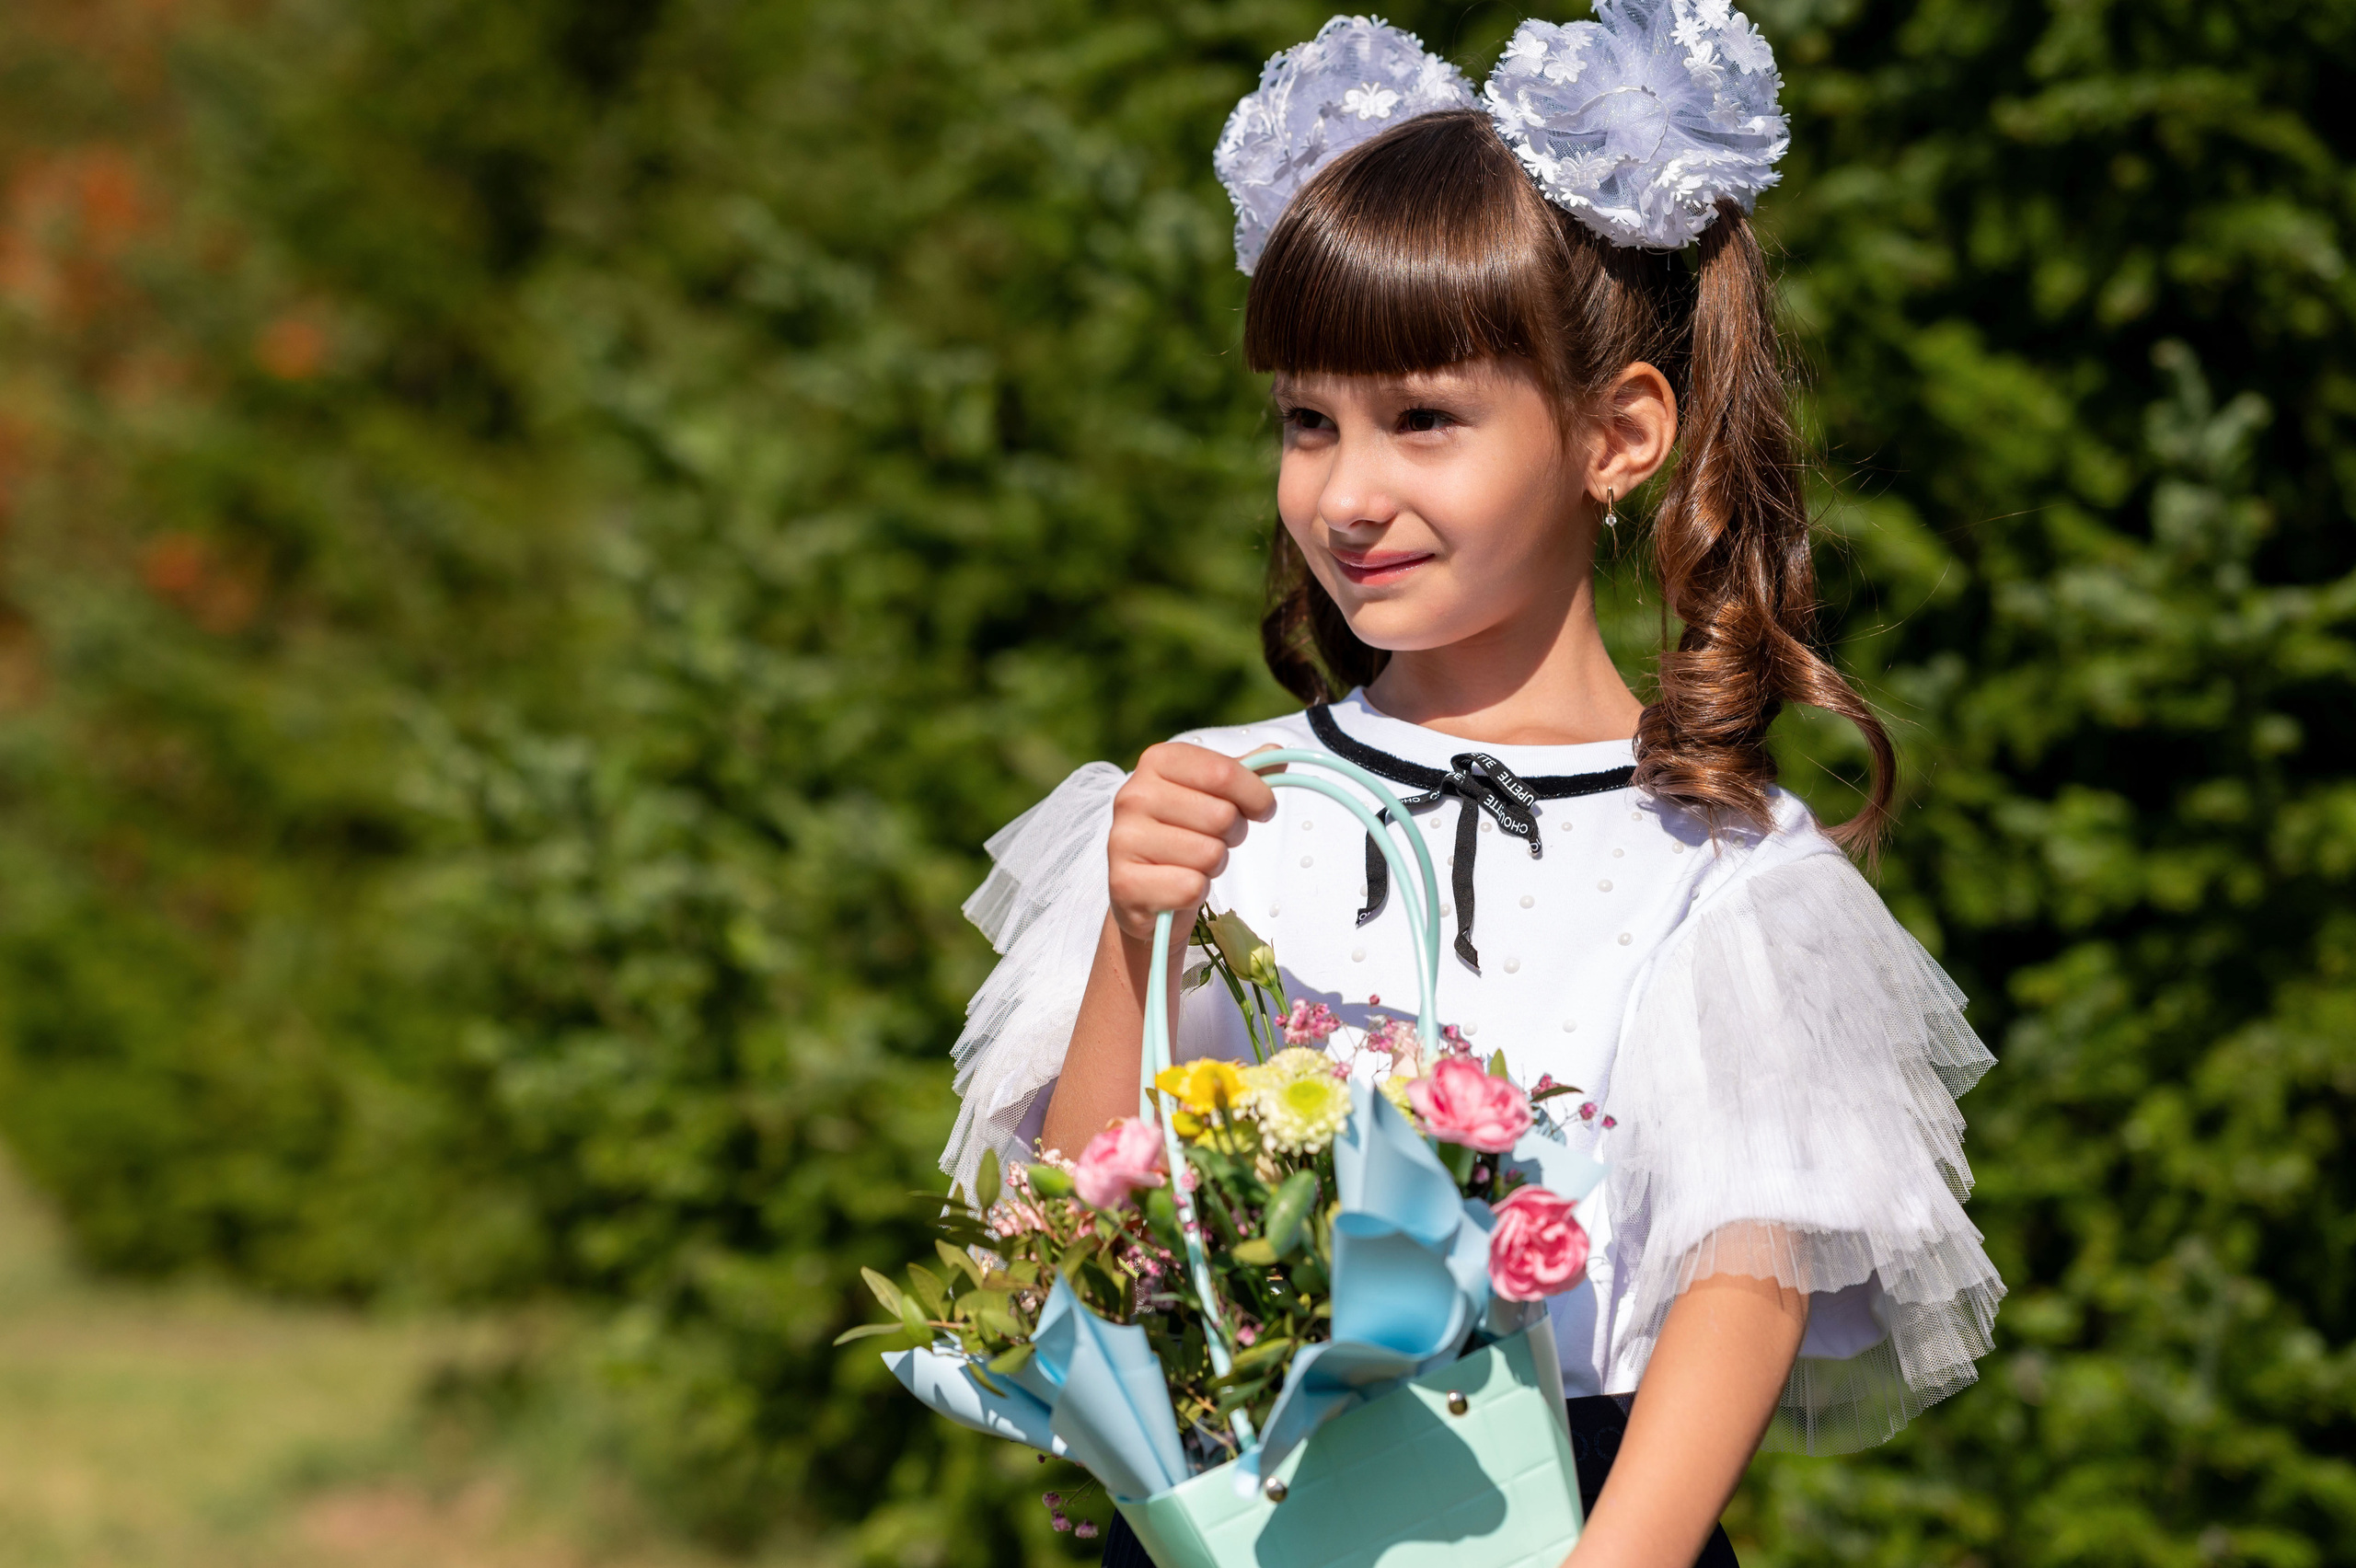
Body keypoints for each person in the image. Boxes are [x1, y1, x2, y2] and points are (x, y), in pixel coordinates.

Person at [941, 11, 2004, 1564]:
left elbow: (1742, 1277)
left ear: (1617, 436)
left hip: (1573, 1520)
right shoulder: (1219, 799)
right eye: (1309, 422)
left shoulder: (1721, 867)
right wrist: (1132, 937)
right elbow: (1076, 1254)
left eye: (1424, 420)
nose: (1347, 493)